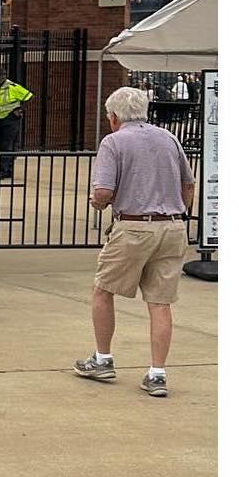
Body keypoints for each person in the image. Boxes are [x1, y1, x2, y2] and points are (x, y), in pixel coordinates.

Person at [75, 86, 196, 397]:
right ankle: (157, 373)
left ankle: (103, 358)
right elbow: (188, 183)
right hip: (171, 227)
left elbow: (103, 190)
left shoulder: (113, 142)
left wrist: (98, 203)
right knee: (160, 301)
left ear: (114, 117)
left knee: (104, 289)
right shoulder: (168, 138)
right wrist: (180, 213)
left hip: (133, 226)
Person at [0, 72, 32, 181]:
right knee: (0, 144)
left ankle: (3, 171)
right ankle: (9, 169)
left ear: (5, 77)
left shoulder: (12, 87)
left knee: (6, 144)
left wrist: (20, 110)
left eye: (1, 76)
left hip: (10, 119)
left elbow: (28, 96)